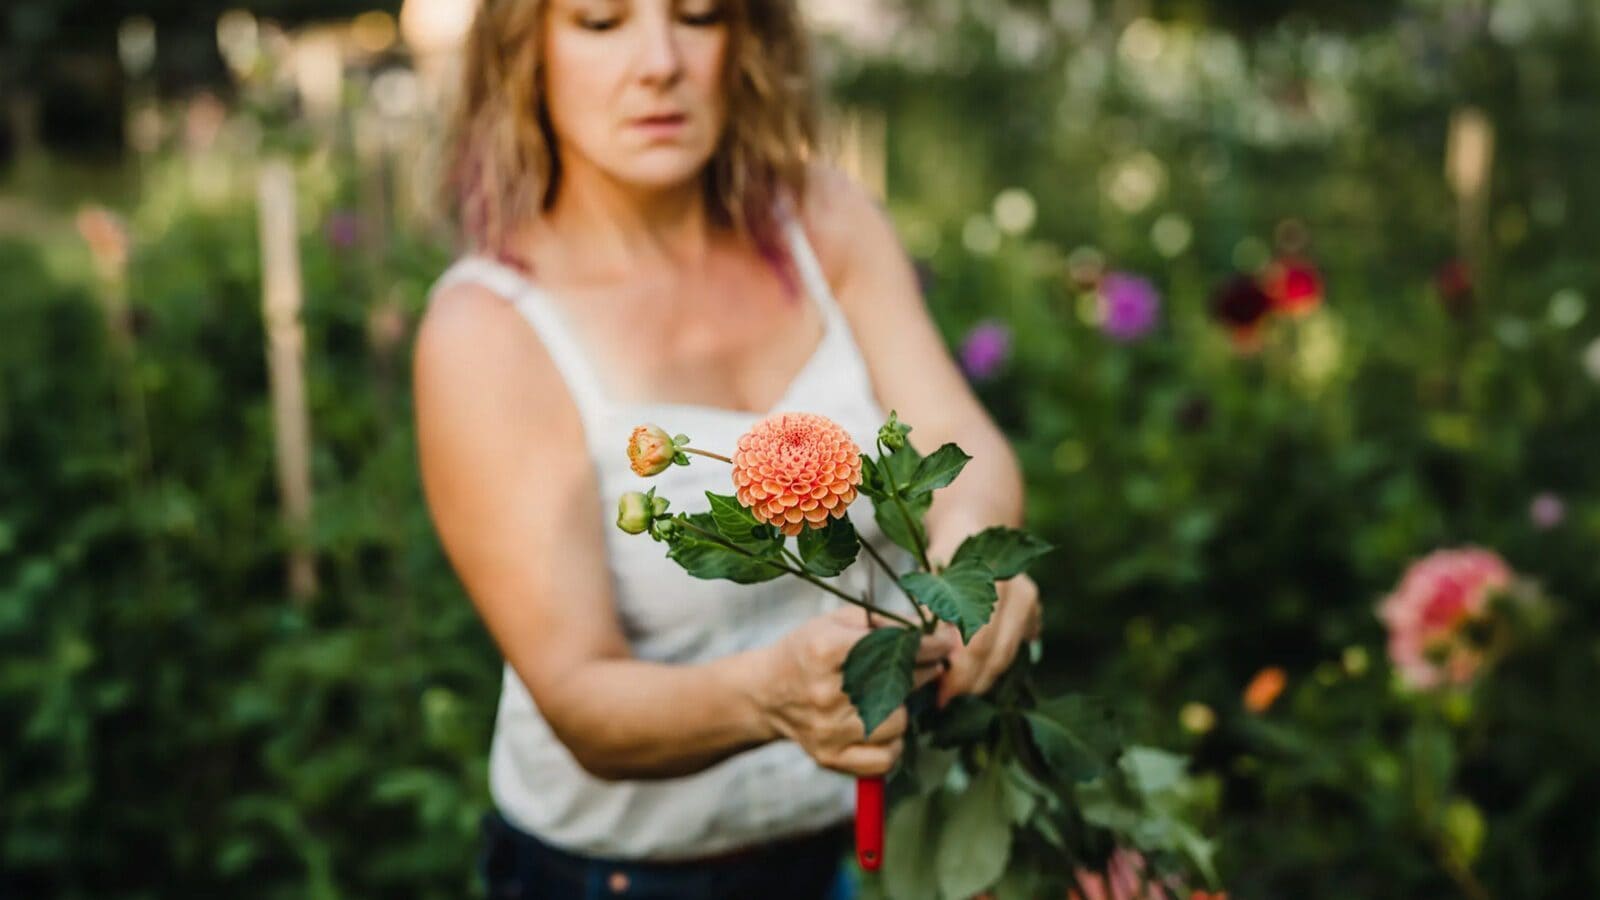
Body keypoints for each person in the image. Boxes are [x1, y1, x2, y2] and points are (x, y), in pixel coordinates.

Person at [411, 1, 1042, 896]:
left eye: (698, 14)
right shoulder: (488, 329)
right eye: (601, 21)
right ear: (526, 54)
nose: (660, 61)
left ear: (747, 38)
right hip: (630, 874)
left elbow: (959, 442)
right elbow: (581, 700)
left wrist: (974, 565)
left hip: (879, 834)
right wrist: (766, 694)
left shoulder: (823, 220)